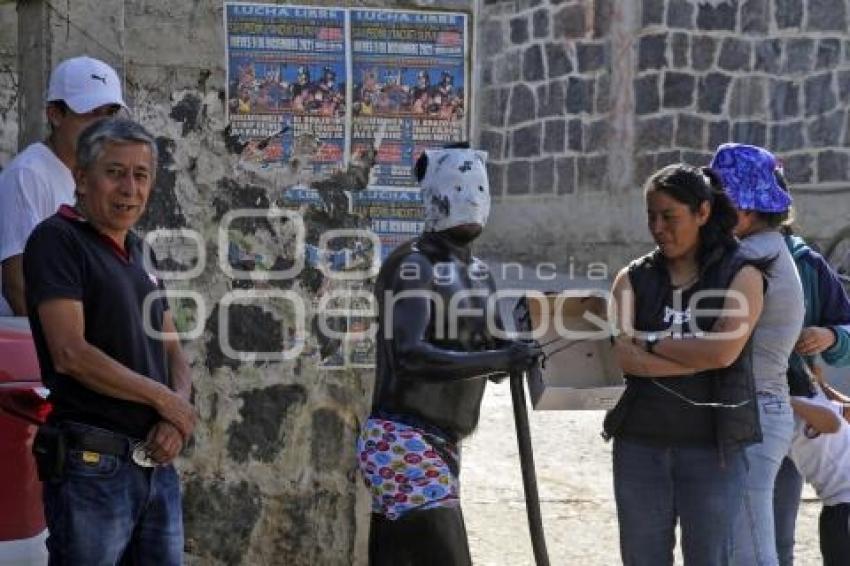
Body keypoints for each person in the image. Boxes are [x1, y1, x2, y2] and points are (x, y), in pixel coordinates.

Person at [357, 144, 541, 565]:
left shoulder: (478, 273)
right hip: (403, 440)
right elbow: (410, 356)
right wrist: (501, 359)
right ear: (435, 194)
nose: (472, 197)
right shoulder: (412, 266)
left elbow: (494, 350)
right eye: (458, 186)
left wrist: (523, 348)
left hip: (444, 442)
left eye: (478, 186)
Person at [24, 118, 195, 565]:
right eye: (114, 172)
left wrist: (176, 418)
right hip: (92, 466)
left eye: (141, 175)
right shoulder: (56, 240)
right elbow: (70, 353)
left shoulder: (142, 252)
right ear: (82, 177)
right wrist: (166, 400)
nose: (129, 188)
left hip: (157, 465)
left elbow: (173, 347)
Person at [605, 163, 767, 565]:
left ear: (702, 213)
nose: (658, 227)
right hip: (639, 445)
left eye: (670, 216)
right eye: (651, 217)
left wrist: (651, 340)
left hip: (713, 452)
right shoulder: (632, 279)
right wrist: (696, 356)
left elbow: (723, 352)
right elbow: (619, 355)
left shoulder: (742, 275)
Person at [709, 143, 806, 566]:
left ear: (744, 210)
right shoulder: (767, 249)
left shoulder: (751, 258)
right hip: (765, 410)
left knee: (749, 550)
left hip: (755, 416)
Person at [0, 55, 126, 316]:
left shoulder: (94, 175)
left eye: (110, 114)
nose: (103, 127)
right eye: (91, 114)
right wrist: (62, 349)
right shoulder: (28, 174)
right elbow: (18, 285)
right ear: (55, 115)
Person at [770, 169, 850, 565]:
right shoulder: (715, 262)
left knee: (779, 540)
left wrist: (830, 337)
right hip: (752, 418)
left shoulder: (809, 266)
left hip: (786, 400)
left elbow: (847, 329)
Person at [787, 378, 850, 566]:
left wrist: (821, 384)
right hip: (840, 506)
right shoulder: (782, 411)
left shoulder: (811, 397)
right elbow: (832, 424)